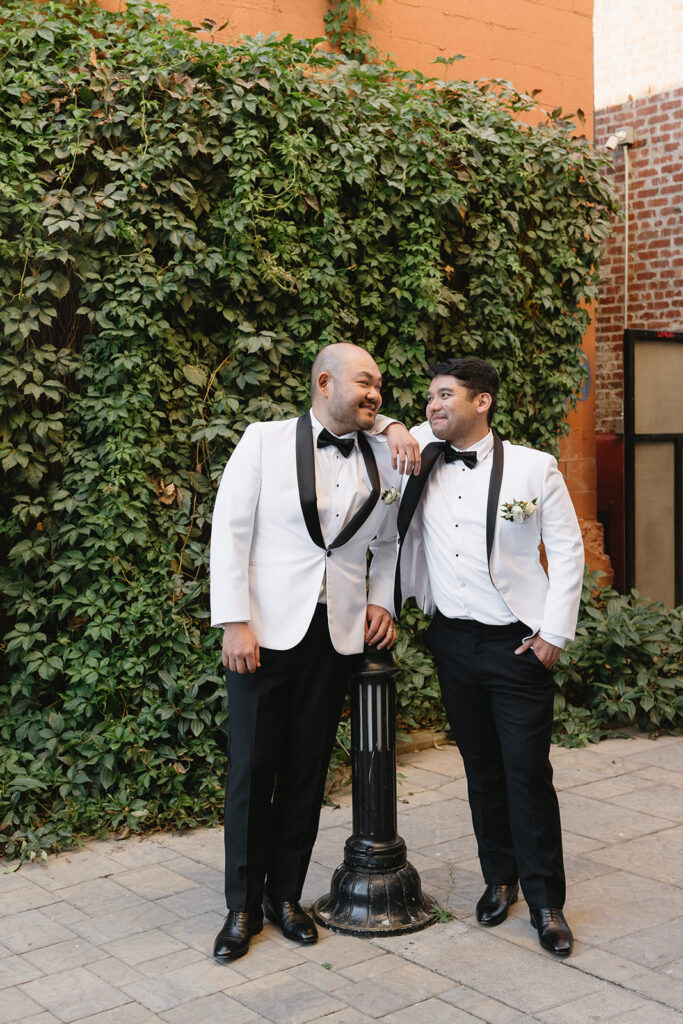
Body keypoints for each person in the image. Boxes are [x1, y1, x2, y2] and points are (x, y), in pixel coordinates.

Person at [209, 342, 419, 961]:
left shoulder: (383, 452)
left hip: (337, 638)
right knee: (251, 771)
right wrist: (233, 621)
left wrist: (382, 600)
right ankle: (241, 908)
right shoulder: (264, 440)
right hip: (264, 635)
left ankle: (285, 898)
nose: (375, 392)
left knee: (306, 770)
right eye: (364, 382)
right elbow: (231, 529)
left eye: (379, 384)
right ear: (324, 382)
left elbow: (391, 539)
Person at [395, 356, 584, 957]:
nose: (432, 406)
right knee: (480, 767)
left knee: (528, 772)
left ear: (483, 402)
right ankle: (498, 879)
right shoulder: (422, 450)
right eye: (428, 398)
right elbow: (378, 431)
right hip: (453, 641)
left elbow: (569, 551)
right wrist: (404, 428)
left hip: (516, 644)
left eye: (445, 395)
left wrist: (553, 632)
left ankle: (547, 901)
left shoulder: (535, 468)